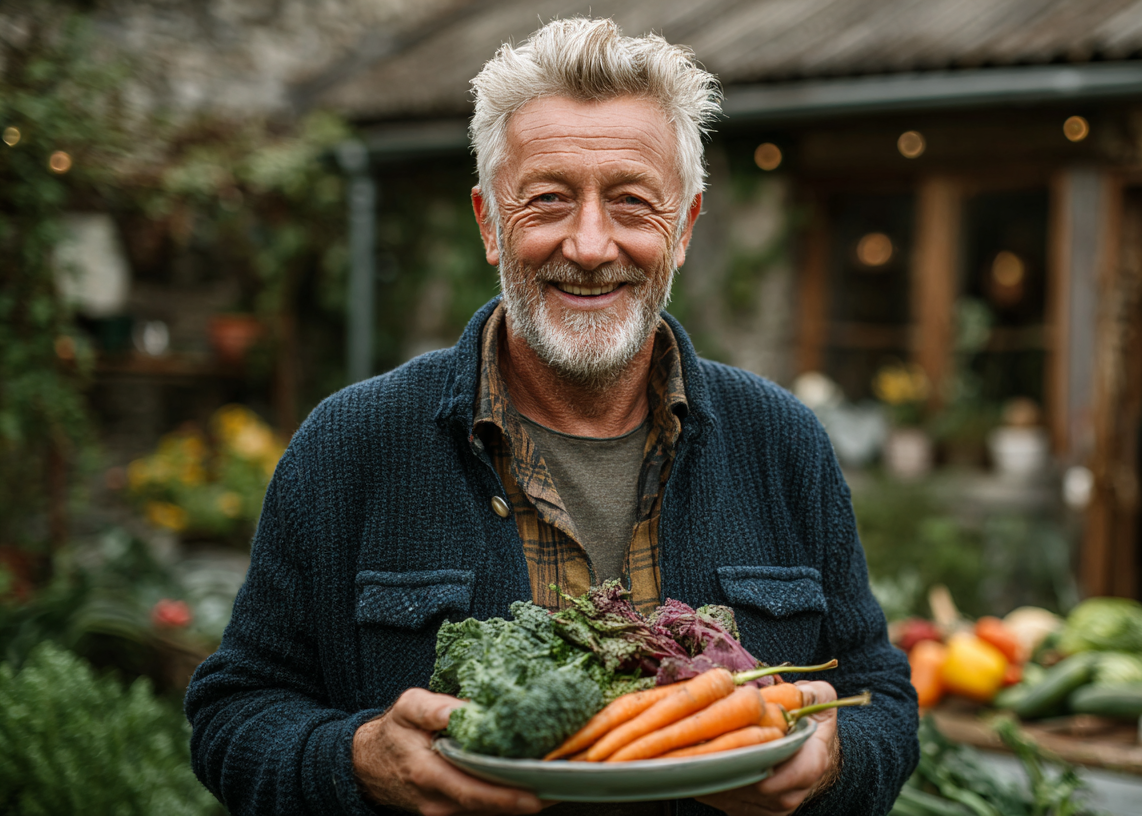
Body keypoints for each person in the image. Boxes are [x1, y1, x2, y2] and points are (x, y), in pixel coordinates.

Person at [185, 17, 917, 816]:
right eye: (548, 201)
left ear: (686, 229)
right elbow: (236, 713)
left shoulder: (783, 443)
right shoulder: (351, 445)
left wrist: (835, 759)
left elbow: (880, 697)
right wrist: (358, 761)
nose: (592, 243)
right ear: (489, 225)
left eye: (633, 203)